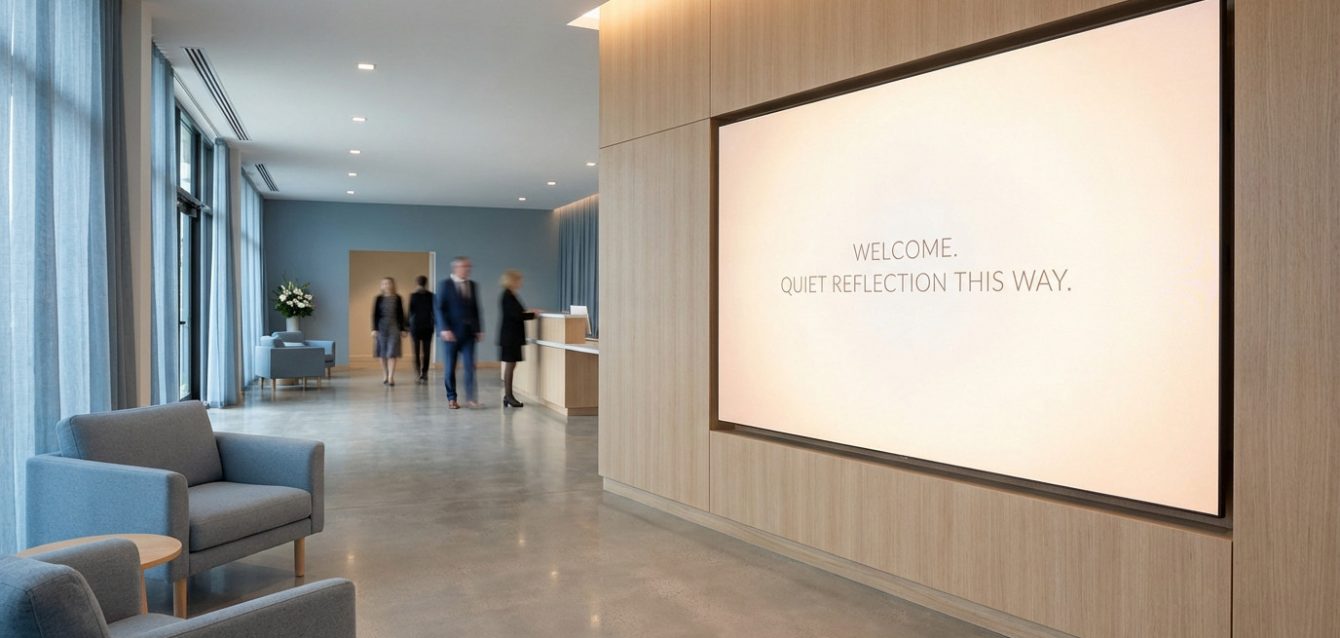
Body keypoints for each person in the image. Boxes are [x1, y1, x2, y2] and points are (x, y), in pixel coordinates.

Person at [435, 257, 483, 409]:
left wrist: (478, 328)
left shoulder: (473, 285)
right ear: (455, 268)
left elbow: (476, 309)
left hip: (468, 334)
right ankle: (452, 398)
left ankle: (471, 399)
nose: (467, 269)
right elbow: (438, 309)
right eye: (464, 267)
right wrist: (444, 328)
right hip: (450, 334)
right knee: (450, 367)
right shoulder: (445, 285)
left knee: (470, 366)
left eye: (469, 267)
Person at [497, 269, 539, 407]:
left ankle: (508, 396)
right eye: (519, 279)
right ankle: (509, 396)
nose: (521, 282)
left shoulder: (511, 295)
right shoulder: (507, 296)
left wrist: (529, 313)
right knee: (510, 365)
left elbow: (517, 313)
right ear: (512, 281)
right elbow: (516, 315)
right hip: (510, 337)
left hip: (512, 336)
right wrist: (532, 315)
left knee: (512, 365)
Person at [371, 277, 407, 386]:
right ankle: (385, 375)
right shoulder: (378, 298)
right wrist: (374, 329)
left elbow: (401, 314)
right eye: (384, 283)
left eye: (388, 283)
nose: (386, 285)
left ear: (392, 285)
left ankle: (391, 376)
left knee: (392, 352)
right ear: (381, 286)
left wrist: (403, 329)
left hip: (394, 327)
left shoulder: (398, 298)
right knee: (382, 353)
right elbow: (375, 314)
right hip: (381, 327)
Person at [407, 275, 436, 384]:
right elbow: (434, 312)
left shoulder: (415, 296)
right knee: (425, 351)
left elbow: (409, 312)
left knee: (418, 352)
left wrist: (406, 326)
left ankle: (420, 373)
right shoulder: (430, 296)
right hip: (425, 326)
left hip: (419, 326)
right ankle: (423, 373)